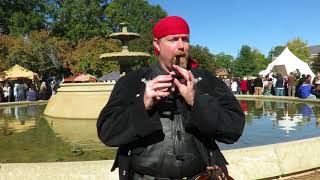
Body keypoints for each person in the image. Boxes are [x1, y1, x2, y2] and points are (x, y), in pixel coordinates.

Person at [97, 16, 245, 180]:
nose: (181, 46)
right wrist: (143, 104)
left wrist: (196, 100)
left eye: (185, 39)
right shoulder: (132, 81)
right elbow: (107, 133)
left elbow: (234, 128)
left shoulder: (206, 80)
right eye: (173, 39)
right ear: (156, 44)